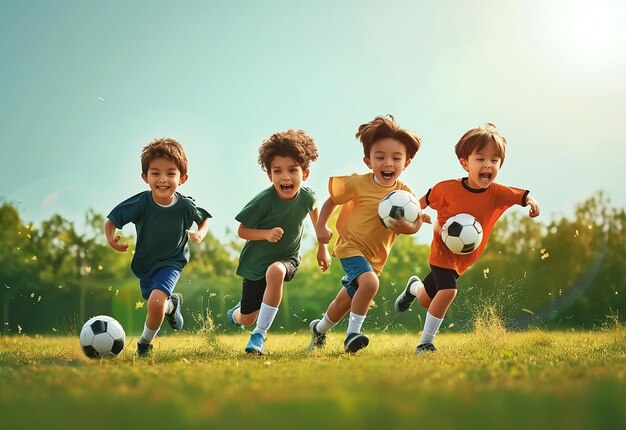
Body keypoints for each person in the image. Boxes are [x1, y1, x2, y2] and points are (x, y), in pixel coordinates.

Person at [394, 123, 540, 354]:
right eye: (480, 159)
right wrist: (410, 218)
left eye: (494, 160)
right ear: (465, 163)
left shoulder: (497, 193)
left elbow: (522, 196)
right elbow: (416, 205)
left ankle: (413, 288)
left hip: (465, 259)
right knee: (448, 291)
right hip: (442, 252)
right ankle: (425, 343)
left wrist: (532, 203)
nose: (488, 165)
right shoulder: (446, 189)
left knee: (426, 300)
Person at [311, 114, 424, 354]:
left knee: (345, 301)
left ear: (407, 163)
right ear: (367, 160)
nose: (388, 164)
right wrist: (321, 227)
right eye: (380, 157)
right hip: (351, 247)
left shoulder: (407, 195)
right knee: (370, 283)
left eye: (396, 158)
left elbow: (417, 222)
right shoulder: (358, 183)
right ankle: (353, 335)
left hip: (375, 258)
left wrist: (410, 228)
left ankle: (319, 329)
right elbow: (332, 200)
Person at [226, 129, 330, 355]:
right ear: (269, 175)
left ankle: (259, 335)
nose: (286, 177)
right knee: (246, 318)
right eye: (278, 171)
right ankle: (236, 315)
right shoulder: (262, 202)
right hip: (255, 264)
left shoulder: (308, 196)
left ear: (305, 173)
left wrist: (323, 248)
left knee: (276, 272)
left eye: (293, 170)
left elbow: (316, 215)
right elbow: (242, 231)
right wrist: (266, 234)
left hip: (286, 259)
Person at [105, 138, 211, 356]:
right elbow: (113, 220)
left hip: (173, 261)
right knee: (157, 304)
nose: (163, 179)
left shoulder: (184, 205)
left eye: (170, 173)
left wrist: (200, 233)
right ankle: (172, 306)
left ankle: (144, 344)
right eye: (155, 173)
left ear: (182, 178)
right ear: (145, 177)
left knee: (154, 302)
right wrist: (111, 238)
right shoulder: (141, 203)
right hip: (145, 263)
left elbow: (204, 219)